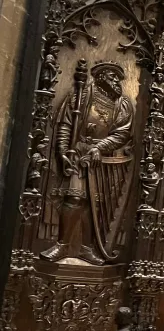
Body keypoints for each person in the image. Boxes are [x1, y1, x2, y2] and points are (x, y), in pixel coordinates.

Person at [42, 61, 135, 264]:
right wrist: (63, 152)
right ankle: (63, 245)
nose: (117, 81)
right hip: (79, 152)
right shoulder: (82, 95)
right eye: (112, 76)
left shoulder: (122, 104)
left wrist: (100, 147)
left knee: (96, 203)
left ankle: (86, 248)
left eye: (119, 78)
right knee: (75, 197)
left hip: (102, 158)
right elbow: (66, 124)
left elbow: (122, 133)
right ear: (101, 77)